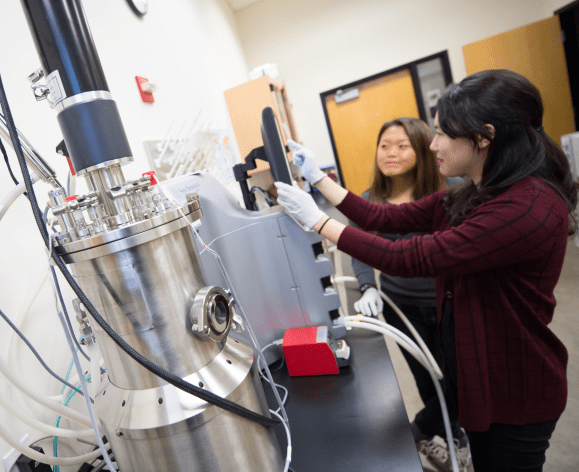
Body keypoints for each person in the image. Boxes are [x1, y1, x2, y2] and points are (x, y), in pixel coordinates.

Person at [275, 69, 577, 472]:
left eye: (442, 133)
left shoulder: (526, 206)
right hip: (480, 370)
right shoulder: (482, 190)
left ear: (484, 136)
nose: (433, 143)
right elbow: (383, 216)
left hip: (515, 388)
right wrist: (318, 180)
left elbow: (416, 256)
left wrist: (320, 222)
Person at [342, 117, 470, 471]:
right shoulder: (370, 201)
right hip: (401, 306)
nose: (391, 154)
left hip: (449, 300)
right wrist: (368, 285)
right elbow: (360, 246)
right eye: (385, 146)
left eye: (402, 146)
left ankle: (431, 430)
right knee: (424, 376)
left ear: (423, 149)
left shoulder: (451, 191)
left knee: (460, 378)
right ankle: (451, 437)